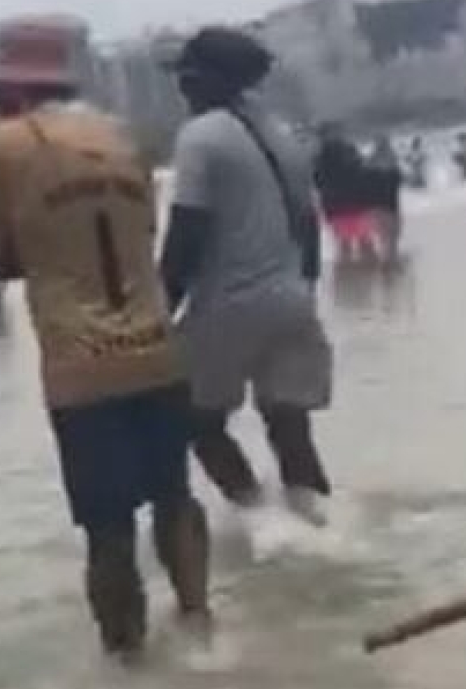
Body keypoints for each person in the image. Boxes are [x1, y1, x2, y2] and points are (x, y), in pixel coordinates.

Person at [0, 17, 210, 663]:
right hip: (157, 349)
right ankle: (200, 626)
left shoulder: (5, 147)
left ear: (6, 87)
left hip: (81, 366)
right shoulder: (119, 136)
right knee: (174, 496)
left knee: (107, 525)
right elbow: (141, 231)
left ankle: (127, 663)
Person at [162, 27, 333, 524]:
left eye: (186, 79)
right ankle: (316, 522)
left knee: (192, 419)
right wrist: (303, 288)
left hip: (229, 302)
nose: (182, 90)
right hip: (292, 297)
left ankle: (259, 517)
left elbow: (186, 234)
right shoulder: (281, 133)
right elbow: (308, 223)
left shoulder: (201, 136)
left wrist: (158, 312)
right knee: (289, 423)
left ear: (205, 80)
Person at [313, 126, 380, 264]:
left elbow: (318, 183)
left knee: (344, 245)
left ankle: (346, 279)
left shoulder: (319, 158)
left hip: (335, 208)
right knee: (365, 242)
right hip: (357, 205)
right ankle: (372, 276)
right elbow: (365, 176)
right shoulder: (351, 152)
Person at [369, 135, 405, 261]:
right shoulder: (392, 164)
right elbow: (400, 181)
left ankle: (387, 260)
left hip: (376, 208)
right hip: (390, 207)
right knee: (392, 237)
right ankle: (391, 260)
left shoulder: (370, 165)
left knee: (384, 237)